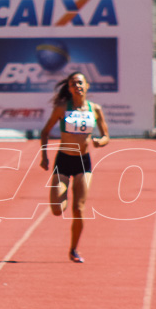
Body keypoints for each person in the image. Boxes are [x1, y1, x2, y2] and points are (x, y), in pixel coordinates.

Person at [39, 71, 110, 263]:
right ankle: (64, 193)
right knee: (57, 209)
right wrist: (44, 156)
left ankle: (73, 249)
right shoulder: (62, 108)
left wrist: (100, 142)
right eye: (73, 83)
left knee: (79, 209)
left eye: (80, 82)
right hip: (63, 161)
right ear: (69, 89)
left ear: (87, 86)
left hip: (83, 163)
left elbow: (106, 136)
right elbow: (45, 132)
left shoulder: (94, 109)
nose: (77, 86)